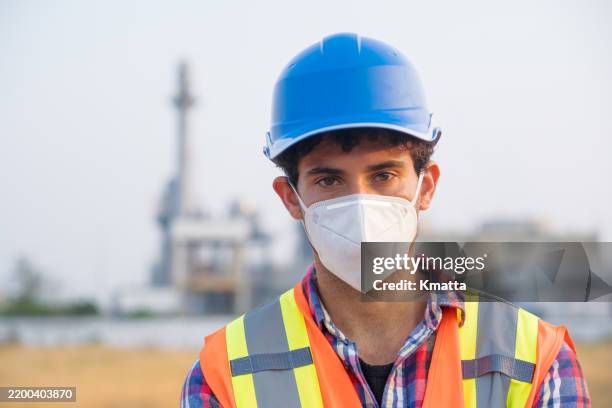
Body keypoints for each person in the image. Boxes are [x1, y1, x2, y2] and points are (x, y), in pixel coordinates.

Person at [181, 33, 590, 408]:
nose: (360, 204)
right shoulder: (224, 376)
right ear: (291, 198)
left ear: (425, 187)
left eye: (383, 175)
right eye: (328, 179)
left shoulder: (536, 362)